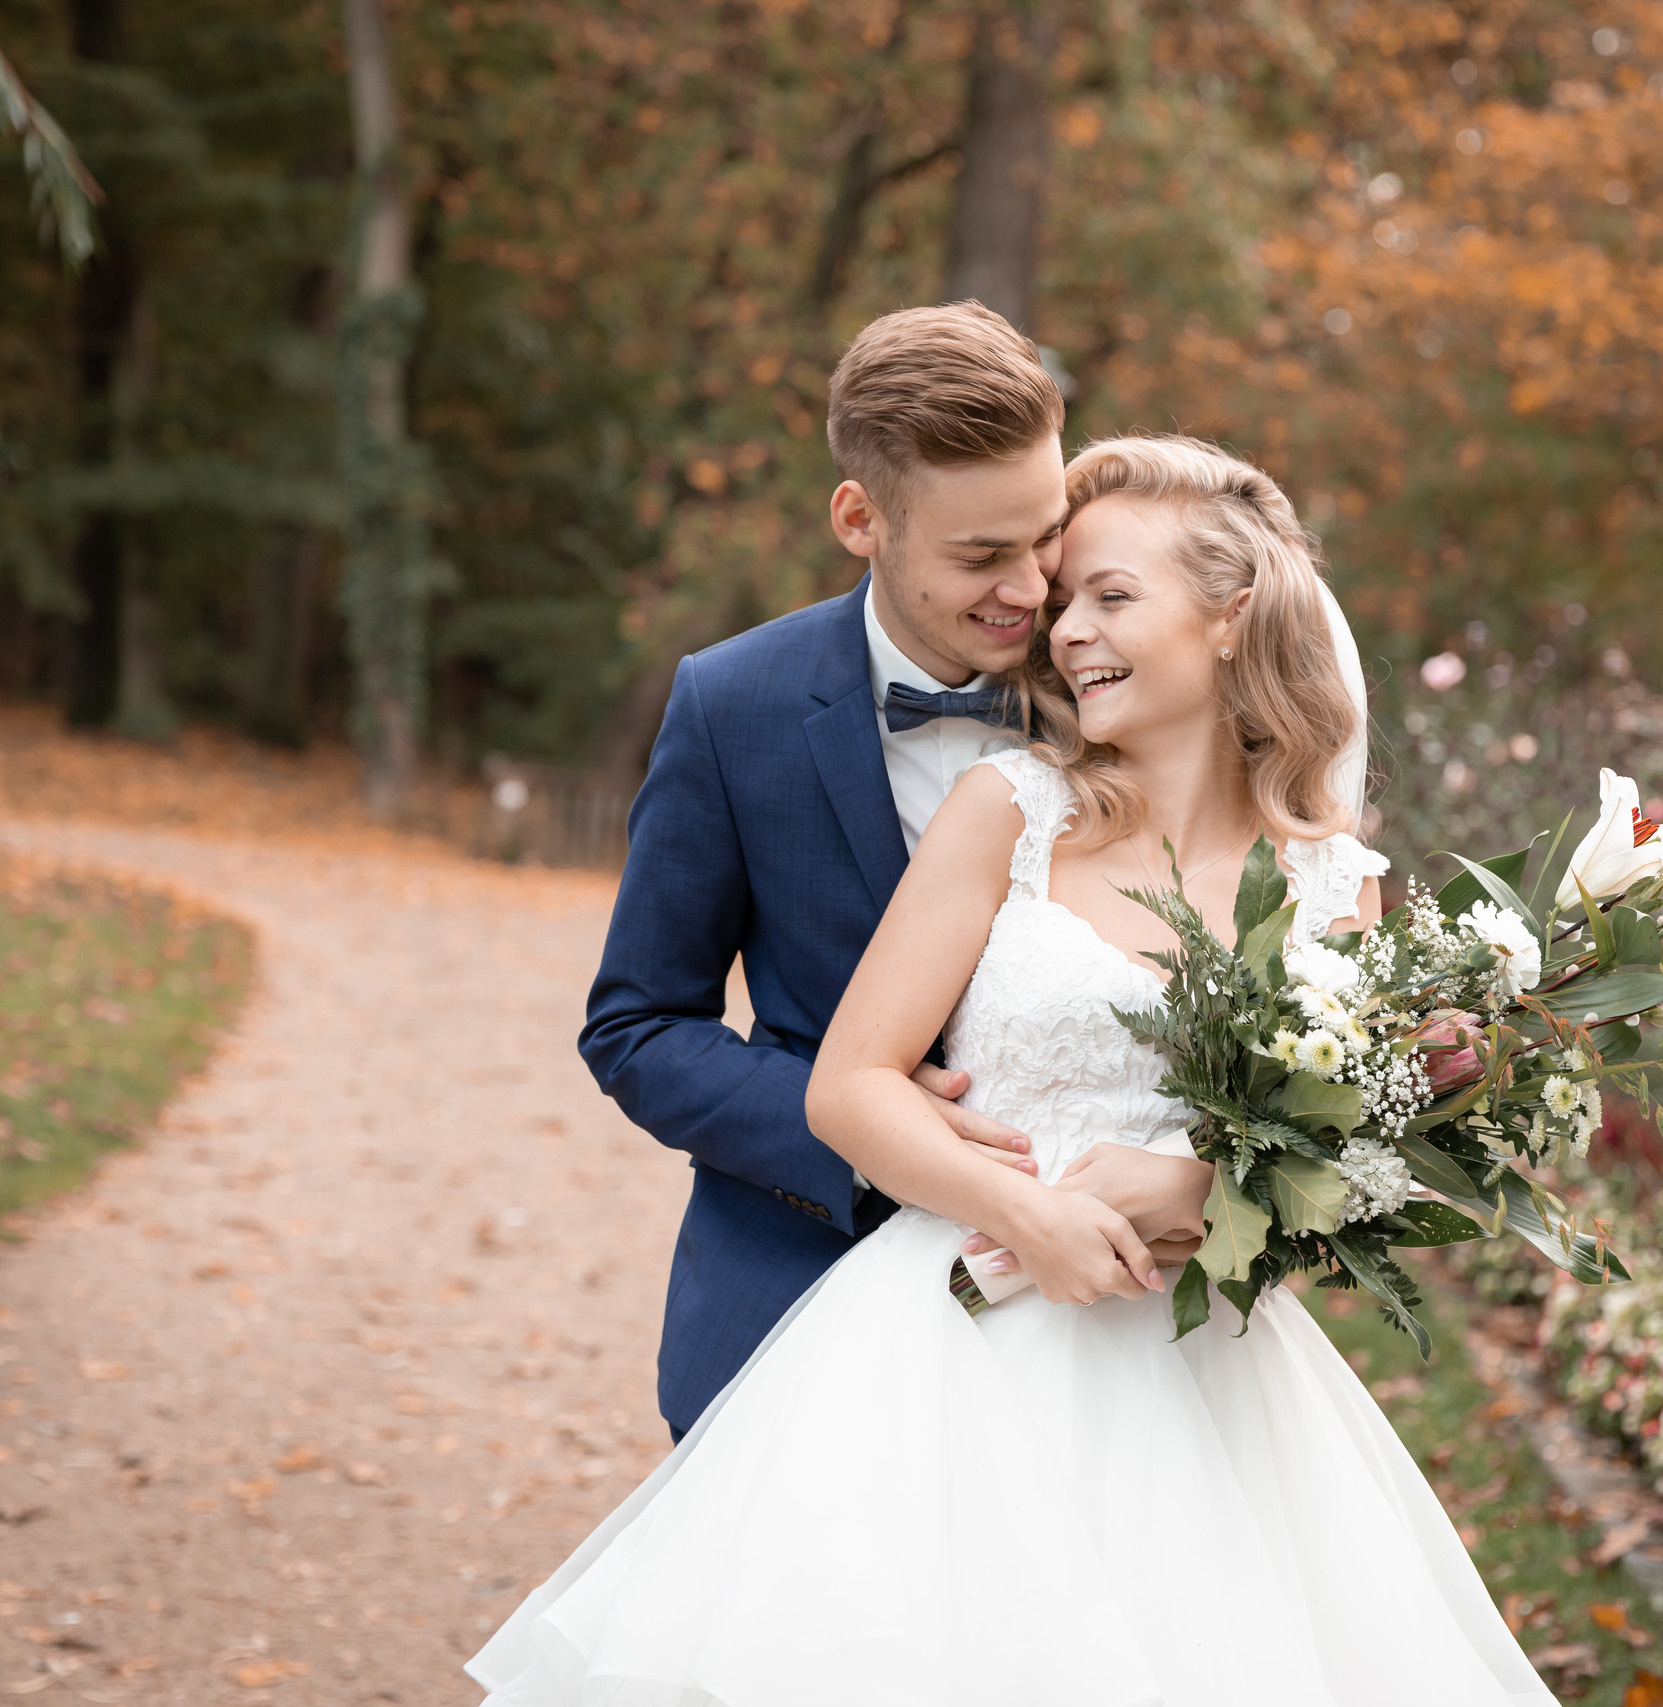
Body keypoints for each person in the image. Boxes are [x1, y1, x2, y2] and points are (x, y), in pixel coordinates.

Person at [472, 435, 1560, 1706]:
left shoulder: (1341, 887)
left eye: (1111, 597)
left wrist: (1205, 1189)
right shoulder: (1010, 809)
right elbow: (847, 1084)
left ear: (1229, 616)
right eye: (1066, 598)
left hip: (1201, 1382)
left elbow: (1351, 1151)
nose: (1064, 629)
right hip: (947, 1334)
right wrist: (1023, 1210)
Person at [579, 301, 1226, 1440]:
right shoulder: (733, 707)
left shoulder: (1118, 680)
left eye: (1045, 538)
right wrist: (863, 1128)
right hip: (797, 1279)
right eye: (980, 556)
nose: (1032, 592)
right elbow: (638, 1025)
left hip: (1093, 1328)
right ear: (859, 519)